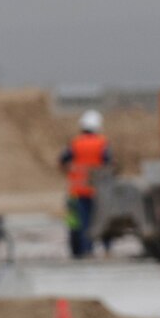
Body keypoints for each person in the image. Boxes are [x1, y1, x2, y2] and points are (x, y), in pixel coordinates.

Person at [60, 109, 111, 259]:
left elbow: (63, 160)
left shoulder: (75, 143)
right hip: (98, 190)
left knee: (83, 222)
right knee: (101, 219)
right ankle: (106, 249)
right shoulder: (102, 143)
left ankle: (86, 251)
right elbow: (108, 162)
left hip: (78, 190)